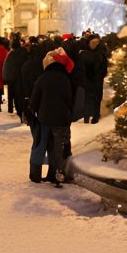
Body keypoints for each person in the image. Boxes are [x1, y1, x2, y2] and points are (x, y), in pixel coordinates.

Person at [28, 48, 75, 186]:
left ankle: (36, 175)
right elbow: (70, 100)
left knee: (43, 146)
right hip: (62, 119)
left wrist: (34, 112)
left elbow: (34, 101)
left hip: (45, 119)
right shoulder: (66, 78)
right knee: (59, 147)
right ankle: (57, 174)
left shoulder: (43, 78)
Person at [77, 34, 108, 124]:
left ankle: (96, 116)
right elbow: (80, 68)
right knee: (87, 99)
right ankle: (86, 117)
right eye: (93, 43)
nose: (95, 44)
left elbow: (104, 67)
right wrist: (83, 80)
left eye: (96, 43)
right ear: (89, 43)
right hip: (87, 80)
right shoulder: (83, 53)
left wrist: (101, 76)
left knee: (97, 98)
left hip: (97, 80)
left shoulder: (101, 54)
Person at [2, 36, 28, 119]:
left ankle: (16, 110)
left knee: (13, 96)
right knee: (21, 96)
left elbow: (6, 67)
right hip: (22, 77)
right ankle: (22, 112)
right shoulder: (24, 53)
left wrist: (6, 78)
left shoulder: (11, 54)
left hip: (12, 78)